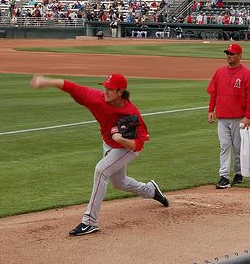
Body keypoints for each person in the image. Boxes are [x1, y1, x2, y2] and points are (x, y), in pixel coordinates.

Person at [30, 74, 169, 236]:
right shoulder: (96, 99)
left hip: (127, 148)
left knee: (101, 170)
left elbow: (139, 144)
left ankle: (89, 222)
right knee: (119, 183)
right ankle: (151, 190)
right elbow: (71, 86)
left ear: (120, 92)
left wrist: (121, 139)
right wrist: (45, 81)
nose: (105, 91)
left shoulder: (131, 112)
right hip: (108, 144)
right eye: (105, 87)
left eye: (110, 89)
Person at [207, 43, 250, 188]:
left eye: (231, 53)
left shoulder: (246, 74)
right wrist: (211, 110)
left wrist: (248, 116)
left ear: (239, 56)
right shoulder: (219, 72)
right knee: (224, 146)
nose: (228, 56)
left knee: (238, 148)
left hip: (238, 118)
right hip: (222, 118)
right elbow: (213, 93)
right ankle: (224, 176)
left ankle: (238, 173)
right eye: (227, 53)